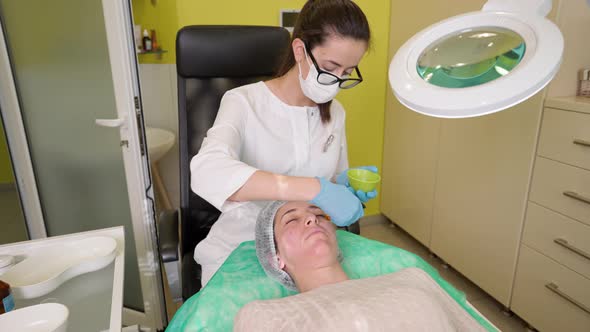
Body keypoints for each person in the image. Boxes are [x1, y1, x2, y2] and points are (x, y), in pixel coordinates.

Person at [191, 0, 377, 287]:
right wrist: (314, 187)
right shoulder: (243, 102)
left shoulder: (335, 113)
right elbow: (207, 172)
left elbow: (331, 186)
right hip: (243, 249)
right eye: (331, 67)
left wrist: (344, 186)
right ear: (300, 50)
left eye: (348, 72)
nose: (337, 81)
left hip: (308, 253)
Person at [233, 201, 488, 332]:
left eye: (319, 214)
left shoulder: (413, 278)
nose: (312, 218)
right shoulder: (262, 316)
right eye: (292, 221)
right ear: (275, 259)